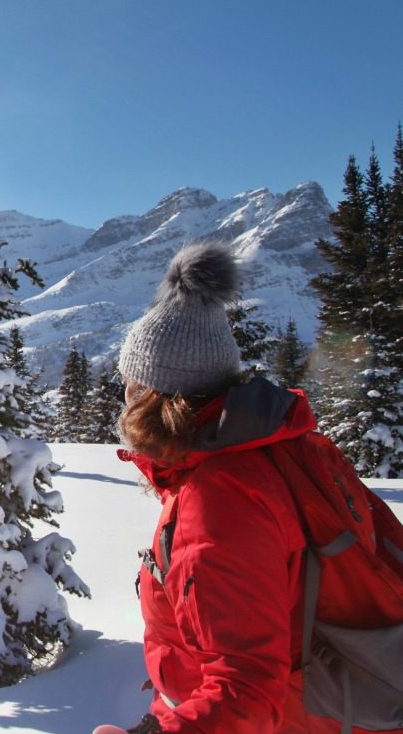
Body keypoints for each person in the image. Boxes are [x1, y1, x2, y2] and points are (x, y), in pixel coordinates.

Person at [91, 241, 402, 734]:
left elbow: (246, 686)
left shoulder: (221, 500)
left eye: (131, 385)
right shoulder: (281, 450)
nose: (124, 401)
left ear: (157, 396)